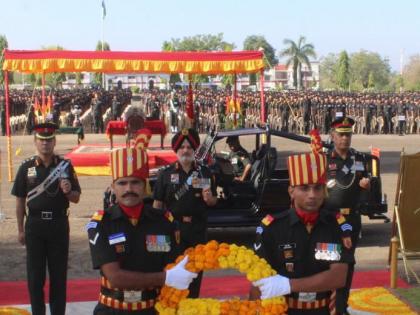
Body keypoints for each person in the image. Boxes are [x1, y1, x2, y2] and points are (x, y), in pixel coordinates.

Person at [87, 141, 197, 315]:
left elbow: (174, 266)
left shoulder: (164, 222)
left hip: (152, 309)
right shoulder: (101, 223)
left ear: (145, 185)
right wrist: (165, 278)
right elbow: (115, 277)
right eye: (122, 183)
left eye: (135, 182)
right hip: (113, 309)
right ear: (113, 187)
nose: (129, 189)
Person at [250, 151, 353, 315]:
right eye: (304, 188)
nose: (312, 195)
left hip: (324, 310)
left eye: (318, 188)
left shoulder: (336, 226)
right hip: (284, 310)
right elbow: (258, 281)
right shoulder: (272, 228)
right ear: (291, 191)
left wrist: (288, 285)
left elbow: (338, 277)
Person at [11, 122, 81, 315]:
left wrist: (68, 192)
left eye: (49, 140)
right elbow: (19, 201)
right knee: (35, 276)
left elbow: (76, 198)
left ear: (54, 141)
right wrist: (20, 229)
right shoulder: (26, 167)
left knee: (58, 276)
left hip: (58, 225)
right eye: (42, 140)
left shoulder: (65, 165)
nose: (45, 144)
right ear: (35, 142)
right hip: (34, 226)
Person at [152, 128, 217, 298]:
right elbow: (157, 204)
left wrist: (209, 198)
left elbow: (214, 201)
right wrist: (154, 229)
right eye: (182, 147)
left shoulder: (205, 172)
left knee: (195, 271)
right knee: (172, 270)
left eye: (189, 147)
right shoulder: (165, 174)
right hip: (173, 230)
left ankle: (192, 304)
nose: (186, 150)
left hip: (197, 229)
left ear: (194, 150)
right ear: (176, 150)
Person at [324, 116, 371, 315]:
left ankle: (342, 307)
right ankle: (327, 307)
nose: (345, 139)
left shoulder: (359, 158)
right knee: (327, 262)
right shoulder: (324, 159)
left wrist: (366, 187)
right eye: (341, 135)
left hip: (351, 220)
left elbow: (367, 188)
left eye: (348, 135)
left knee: (348, 262)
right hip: (329, 219)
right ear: (333, 136)